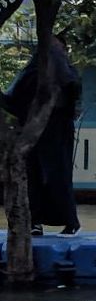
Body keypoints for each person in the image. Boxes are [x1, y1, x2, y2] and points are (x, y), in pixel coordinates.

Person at [3, 34, 82, 236]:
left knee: (57, 175)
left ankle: (67, 221)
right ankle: (36, 221)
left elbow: (71, 95)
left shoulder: (66, 72)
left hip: (56, 127)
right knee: (34, 175)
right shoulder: (35, 70)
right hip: (34, 128)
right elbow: (14, 99)